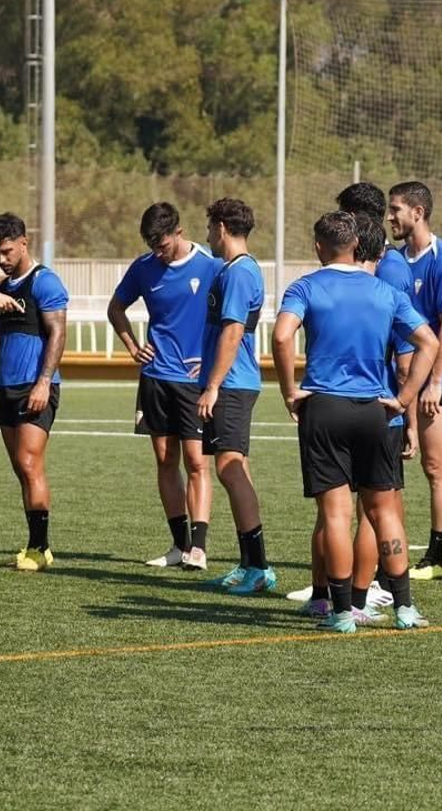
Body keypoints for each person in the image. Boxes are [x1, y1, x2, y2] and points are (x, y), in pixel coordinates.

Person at [273, 211, 439, 633]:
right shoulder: (384, 291)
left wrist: (290, 390)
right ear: (357, 247)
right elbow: (429, 342)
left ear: (318, 246)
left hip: (324, 407)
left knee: (335, 514)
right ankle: (403, 608)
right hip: (374, 411)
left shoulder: (306, 286)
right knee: (384, 511)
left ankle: (342, 612)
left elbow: (281, 335)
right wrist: (403, 399)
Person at [107, 203, 222, 570]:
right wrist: (132, 346)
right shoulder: (143, 268)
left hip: (193, 381)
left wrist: (211, 357)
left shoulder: (210, 266)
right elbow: (115, 308)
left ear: (179, 231)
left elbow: (233, 319)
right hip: (156, 376)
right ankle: (180, 544)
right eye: (151, 245)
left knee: (196, 461)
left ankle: (199, 548)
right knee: (164, 460)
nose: (158, 252)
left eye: (162, 244)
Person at [0, 213, 69, 572]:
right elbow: (1, 339)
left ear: (24, 242)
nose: (2, 259)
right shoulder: (3, 289)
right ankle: (37, 545)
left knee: (30, 464)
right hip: (8, 389)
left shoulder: (45, 282)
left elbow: (58, 333)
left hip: (37, 388)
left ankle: (38, 547)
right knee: (21, 468)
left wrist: (44, 382)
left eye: (7, 251)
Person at [387, 180, 442, 578]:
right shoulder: (396, 261)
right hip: (401, 376)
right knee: (398, 466)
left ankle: (435, 557)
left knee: (435, 466)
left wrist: (435, 381)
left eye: (396, 209)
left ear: (417, 213)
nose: (390, 217)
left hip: (438, 378)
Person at [197, 198, 274, 595]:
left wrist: (213, 384)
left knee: (231, 468)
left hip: (233, 385)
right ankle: (249, 563)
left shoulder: (240, 272)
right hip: (228, 380)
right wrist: (207, 367)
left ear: (223, 227)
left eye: (210, 227)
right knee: (233, 468)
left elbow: (233, 332)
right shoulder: (232, 270)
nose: (208, 235)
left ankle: (258, 565)